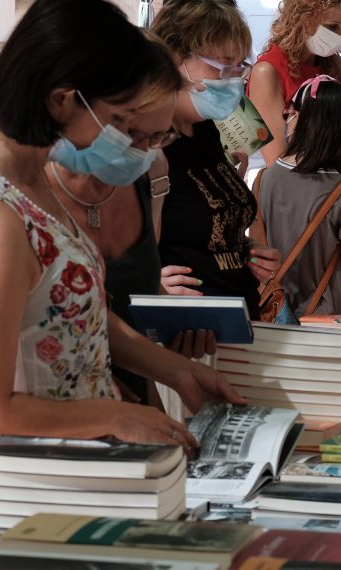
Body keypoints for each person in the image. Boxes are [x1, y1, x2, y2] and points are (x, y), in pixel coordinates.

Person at [0, 0, 245, 530]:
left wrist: (173, 369)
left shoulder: (28, 181)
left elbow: (62, 308)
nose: (132, 144)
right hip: (24, 509)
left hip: (73, 488)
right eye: (121, 123)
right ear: (64, 100)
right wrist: (116, 414)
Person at [42, 31, 216, 406]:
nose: (142, 150)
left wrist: (171, 332)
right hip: (51, 417)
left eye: (159, 136)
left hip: (133, 408)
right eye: (131, 133)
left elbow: (116, 307)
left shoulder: (148, 173)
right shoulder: (24, 188)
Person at [153, 0, 282, 318]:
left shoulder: (206, 129)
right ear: (176, 58)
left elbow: (205, 230)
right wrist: (149, 282)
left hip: (237, 315)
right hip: (188, 324)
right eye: (221, 66)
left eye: (239, 67)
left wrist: (247, 251)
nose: (232, 79)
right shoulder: (152, 139)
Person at [252, 76, 341, 316]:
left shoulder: (263, 180)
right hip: (324, 322)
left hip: (272, 315)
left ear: (300, 118)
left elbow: (257, 259)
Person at [247, 0, 341, 167]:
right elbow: (278, 164)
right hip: (301, 183)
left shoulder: (338, 66)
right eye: (332, 27)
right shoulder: (267, 72)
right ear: (303, 18)